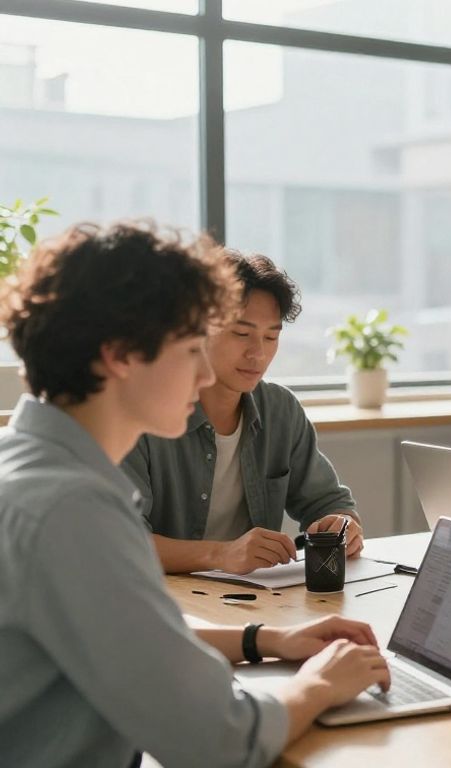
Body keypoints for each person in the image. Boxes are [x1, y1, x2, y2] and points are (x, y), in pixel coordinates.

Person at [0, 222, 389, 767]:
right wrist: (321, 685)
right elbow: (221, 741)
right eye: (190, 347)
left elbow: (129, 635)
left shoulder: (28, 467)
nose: (207, 370)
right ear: (120, 355)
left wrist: (266, 640)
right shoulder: (72, 511)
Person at [123, 251, 364, 575]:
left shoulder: (280, 410)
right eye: (241, 334)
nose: (258, 353)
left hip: (256, 602)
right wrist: (221, 555)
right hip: (169, 603)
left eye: (271, 336)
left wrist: (342, 525)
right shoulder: (144, 415)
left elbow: (328, 502)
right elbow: (123, 541)